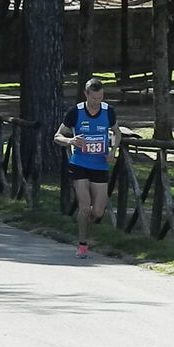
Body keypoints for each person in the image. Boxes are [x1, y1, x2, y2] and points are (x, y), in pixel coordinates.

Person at [54, 78, 121, 258]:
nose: (97, 102)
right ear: (86, 95)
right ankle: (82, 244)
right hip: (80, 163)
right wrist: (70, 141)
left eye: (100, 98)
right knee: (84, 207)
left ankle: (84, 226)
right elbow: (57, 136)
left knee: (98, 211)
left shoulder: (108, 111)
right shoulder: (75, 112)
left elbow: (117, 132)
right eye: (94, 99)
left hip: (100, 164)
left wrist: (113, 150)